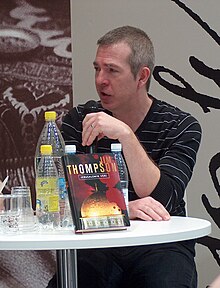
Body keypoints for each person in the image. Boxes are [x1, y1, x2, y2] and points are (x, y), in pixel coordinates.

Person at [47, 25, 202, 288]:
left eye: (112, 70)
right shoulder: (80, 120)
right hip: (98, 244)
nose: (100, 80)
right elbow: (65, 198)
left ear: (142, 77)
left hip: (161, 246)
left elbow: (164, 197)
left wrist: (127, 136)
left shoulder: (181, 125)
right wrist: (124, 209)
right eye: (97, 68)